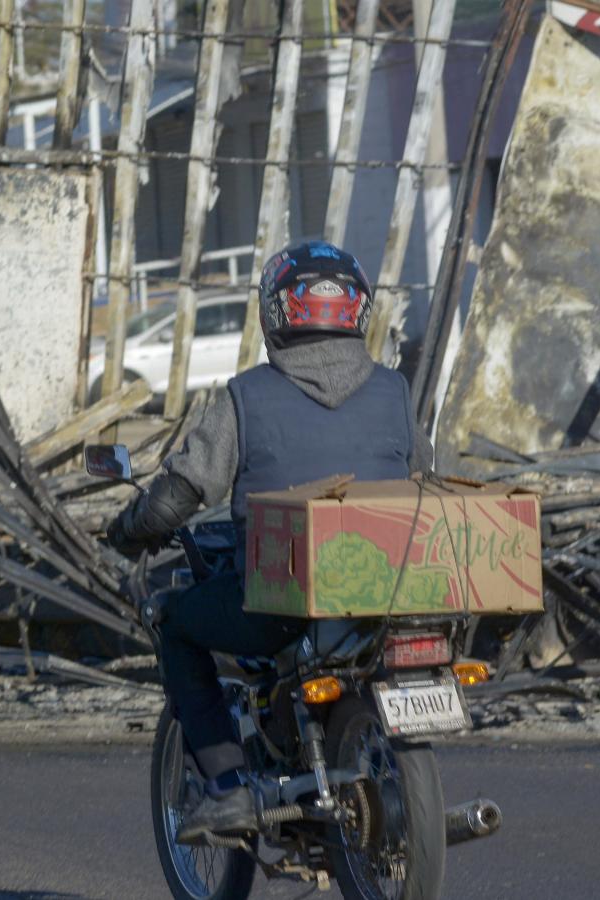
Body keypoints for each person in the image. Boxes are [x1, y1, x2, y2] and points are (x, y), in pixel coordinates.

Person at [105, 240, 434, 839]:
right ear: (359, 312)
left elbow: (179, 496)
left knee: (176, 622)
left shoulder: (245, 397)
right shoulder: (395, 393)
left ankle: (228, 788)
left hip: (280, 601)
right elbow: (428, 480)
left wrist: (130, 529)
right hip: (387, 596)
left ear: (275, 313)